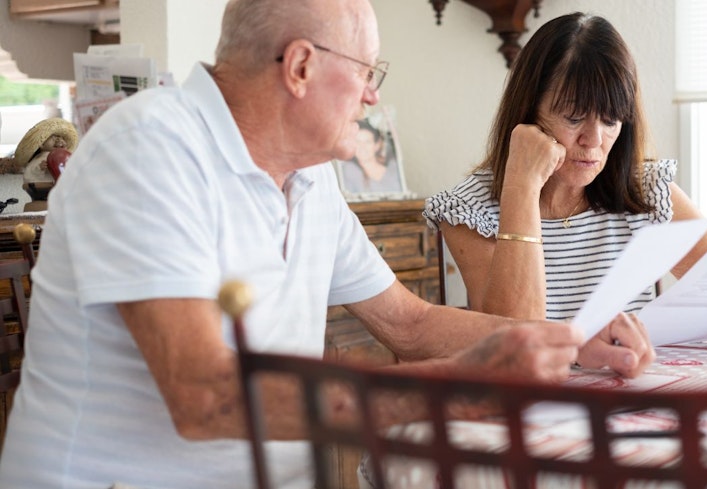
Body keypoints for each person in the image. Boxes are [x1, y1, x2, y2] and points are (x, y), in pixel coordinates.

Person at [0, 2, 654, 488]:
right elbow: (206, 396)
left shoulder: (307, 178)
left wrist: (568, 342)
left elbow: (411, 320)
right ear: (301, 66)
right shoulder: (148, 148)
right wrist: (462, 387)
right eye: (368, 72)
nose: (373, 96)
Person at [423, 12, 707, 350]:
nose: (594, 141)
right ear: (528, 113)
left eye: (610, 120)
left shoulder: (647, 191)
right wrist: (522, 187)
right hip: (532, 409)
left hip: (632, 393)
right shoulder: (468, 209)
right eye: (573, 118)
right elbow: (516, 341)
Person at [339, 118, 403, 193]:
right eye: (357, 141)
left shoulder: (393, 167)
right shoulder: (349, 170)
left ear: (377, 145)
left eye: (367, 142)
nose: (362, 146)